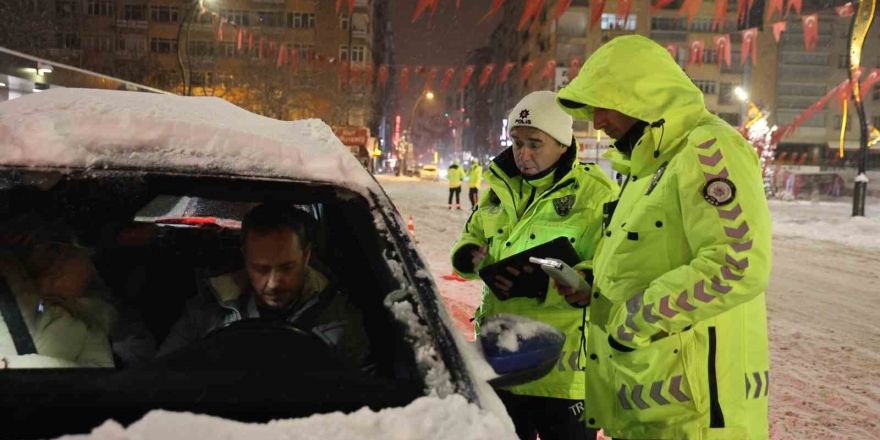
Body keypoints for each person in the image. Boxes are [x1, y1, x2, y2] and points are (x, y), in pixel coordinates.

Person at [555, 35, 772, 440]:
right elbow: (644, 256)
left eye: (604, 103)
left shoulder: (707, 149)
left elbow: (738, 263)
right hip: (648, 405)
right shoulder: (647, 164)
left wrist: (632, 322)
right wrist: (594, 286)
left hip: (698, 416)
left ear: (641, 94)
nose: (597, 121)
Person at [449, 91, 617, 440]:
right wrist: (469, 257)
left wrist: (571, 280)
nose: (522, 154)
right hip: (501, 362)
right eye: (517, 142)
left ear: (562, 144)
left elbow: (610, 268)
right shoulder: (499, 188)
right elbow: (471, 239)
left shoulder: (595, 194)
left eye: (535, 144)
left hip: (563, 373)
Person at [157, 204, 371, 369]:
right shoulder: (205, 312)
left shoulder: (342, 318)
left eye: (287, 267)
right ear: (245, 257)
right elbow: (160, 377)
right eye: (261, 269)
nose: (274, 283)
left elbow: (367, 401)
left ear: (306, 256)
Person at [0, 222, 117, 369]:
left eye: (57, 271)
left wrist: (12, 365)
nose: (51, 279)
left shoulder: (91, 326)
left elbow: (99, 373)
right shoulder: (28, 298)